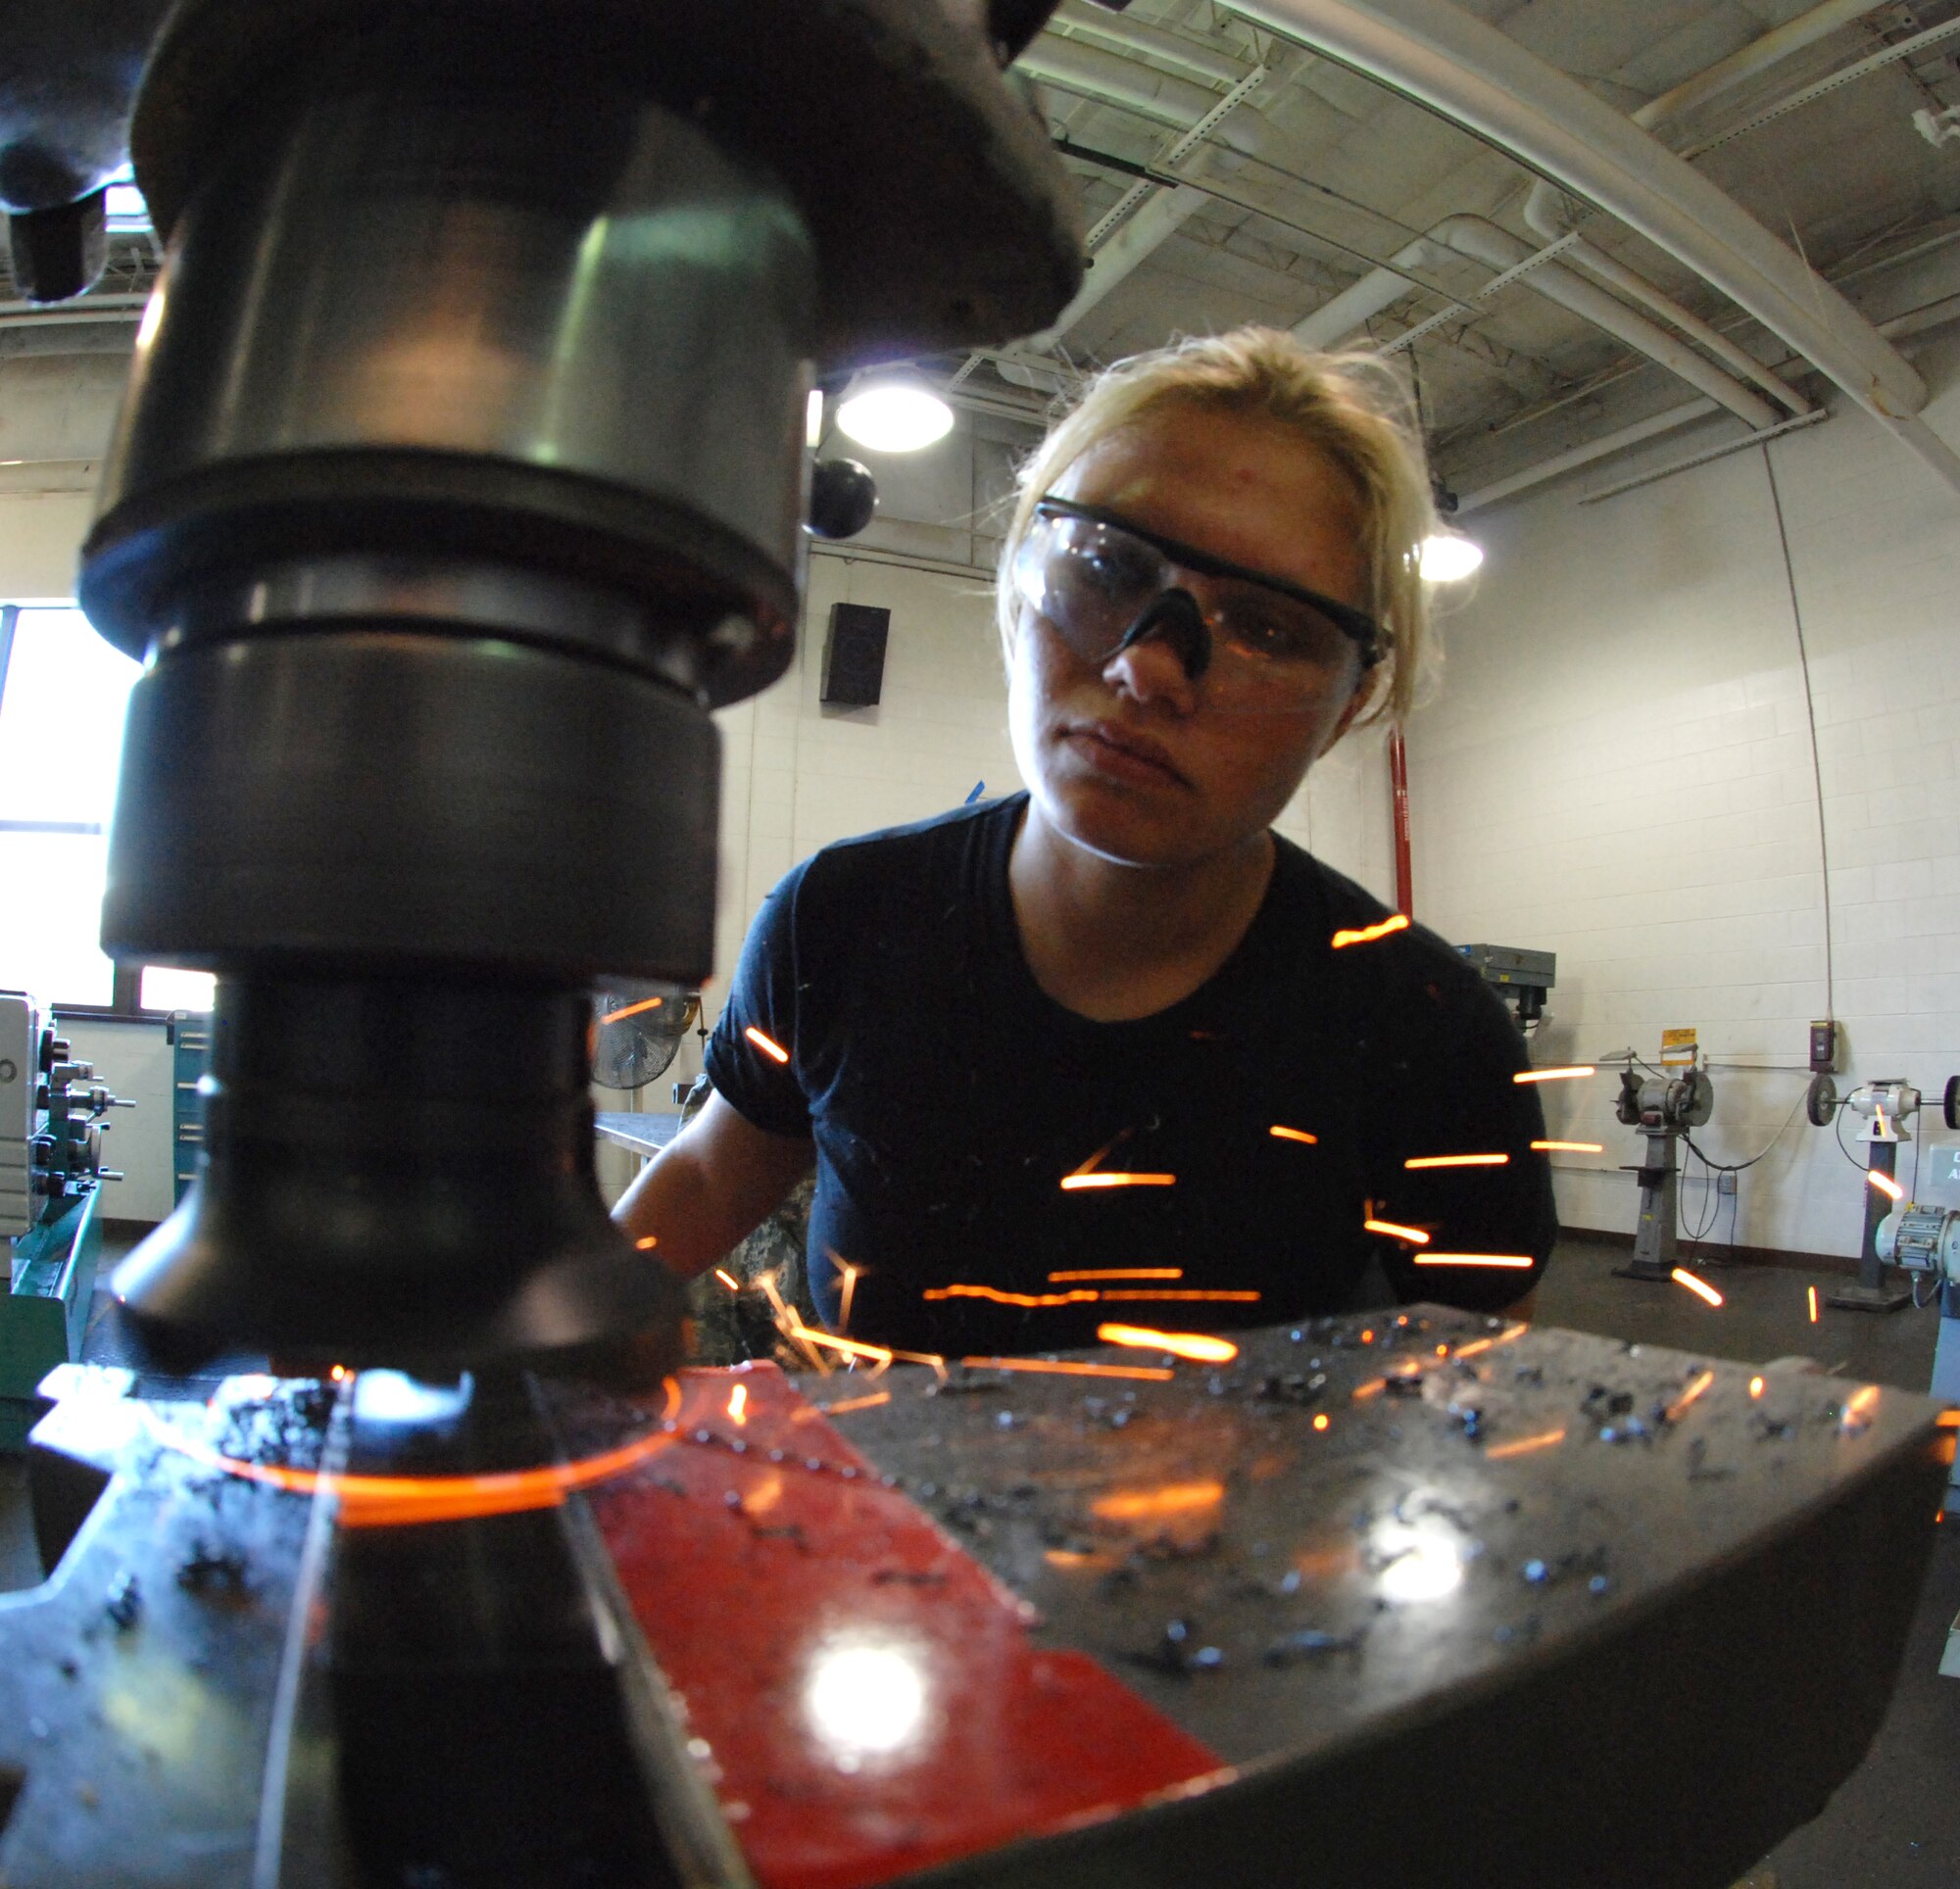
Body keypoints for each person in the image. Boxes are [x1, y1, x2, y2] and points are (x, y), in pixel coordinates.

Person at [615, 327, 1556, 1356]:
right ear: (1022, 578)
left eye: (1270, 629)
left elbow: (1484, 1392)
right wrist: (527, 1349)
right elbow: (708, 1175)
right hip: (873, 1512)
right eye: (1106, 565)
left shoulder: (1424, 1032)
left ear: (1347, 703)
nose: (1150, 669)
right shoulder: (838, 919)